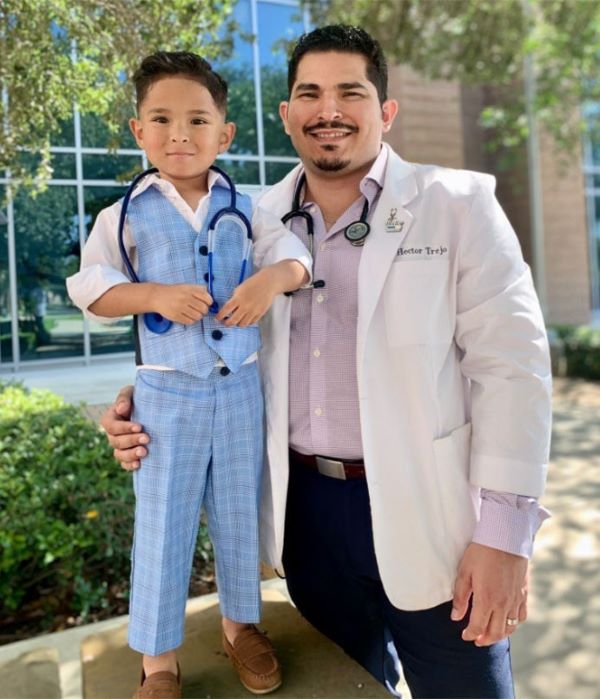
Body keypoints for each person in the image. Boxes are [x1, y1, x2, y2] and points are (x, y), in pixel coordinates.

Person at [101, 26, 552, 699]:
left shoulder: (457, 206)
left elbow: (514, 369)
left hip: (438, 524)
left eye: (351, 92)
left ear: (385, 111)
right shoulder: (248, 221)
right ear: (286, 115)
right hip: (306, 523)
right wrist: (145, 402)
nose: (328, 109)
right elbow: (205, 339)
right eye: (309, 93)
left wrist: (507, 536)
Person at [67, 51, 311, 699]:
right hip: (165, 394)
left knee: (237, 511)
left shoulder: (246, 205)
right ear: (138, 131)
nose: (181, 133)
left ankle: (242, 627)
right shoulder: (123, 215)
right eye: (163, 119)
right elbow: (92, 288)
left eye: (198, 120)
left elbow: (293, 257)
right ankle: (159, 661)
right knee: (164, 519)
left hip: (238, 390)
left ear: (224, 135)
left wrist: (268, 280)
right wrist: (152, 295)